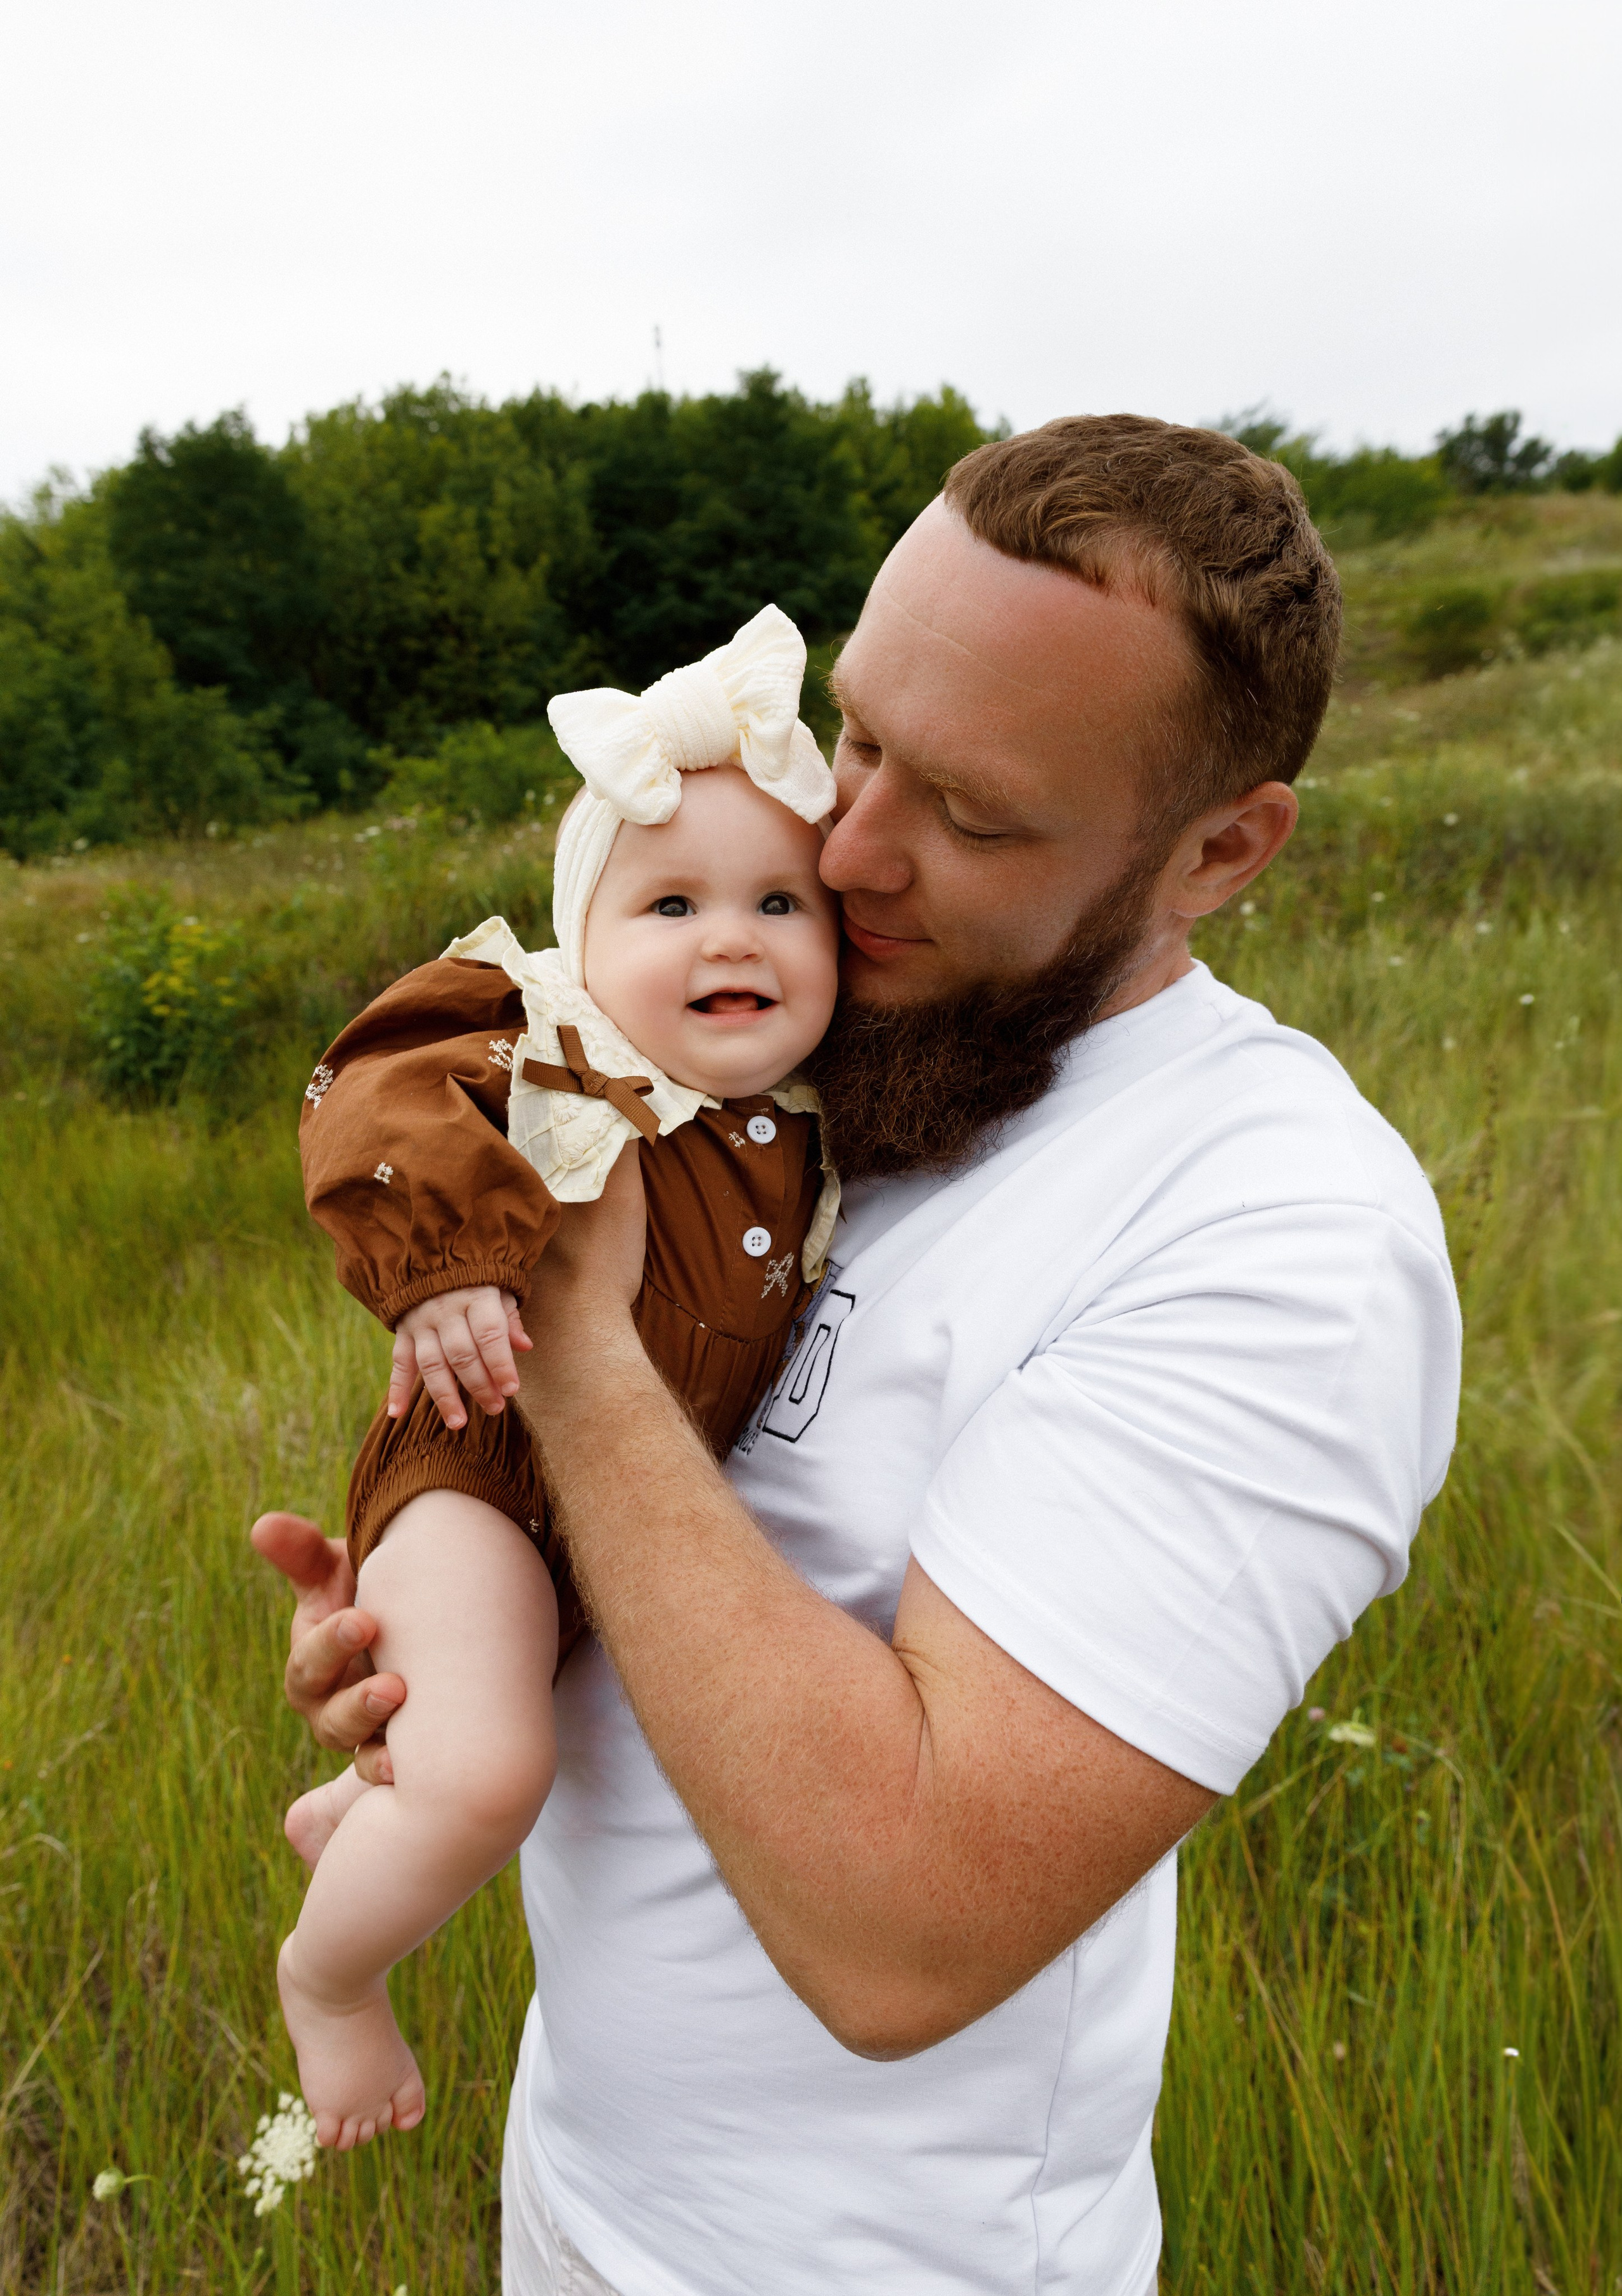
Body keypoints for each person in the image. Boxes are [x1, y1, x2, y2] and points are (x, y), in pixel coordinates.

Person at [255, 414, 1462, 2295]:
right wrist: (457, 1634)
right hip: (576, 2193)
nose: (853, 850)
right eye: (864, 738)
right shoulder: (864, 1051)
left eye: (973, 812)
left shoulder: (1277, 1236)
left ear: (1222, 849)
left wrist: (573, 1357)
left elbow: (902, 1930)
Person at [273, 606, 843, 2150]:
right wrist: (444, 1258)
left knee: (466, 1746)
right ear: (581, 939)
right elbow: (376, 1085)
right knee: (488, 1777)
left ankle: (366, 1814)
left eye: (783, 901)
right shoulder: (546, 1033)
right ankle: (329, 1981)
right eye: (669, 903)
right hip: (481, 1465)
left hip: (622, 1522)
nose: (732, 937)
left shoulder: (809, 1119)